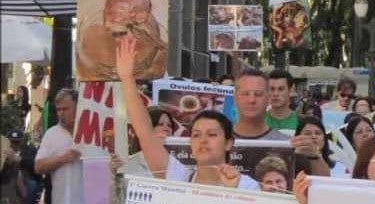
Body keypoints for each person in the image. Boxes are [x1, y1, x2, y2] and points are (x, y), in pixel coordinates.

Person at [116, 35, 259, 191]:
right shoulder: (178, 178)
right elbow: (144, 133)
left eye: (211, 134)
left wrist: (232, 191)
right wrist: (127, 78)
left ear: (228, 143)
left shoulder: (247, 186)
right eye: (196, 135)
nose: (203, 140)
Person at [233, 69, 291, 141]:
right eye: (245, 94)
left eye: (258, 94)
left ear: (268, 98)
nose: (252, 100)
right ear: (235, 98)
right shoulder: (221, 140)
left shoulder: (285, 144)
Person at [265, 69, 300, 135]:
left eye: (281, 89)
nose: (275, 94)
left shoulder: (302, 122)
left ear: (290, 91)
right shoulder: (257, 122)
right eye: (272, 89)